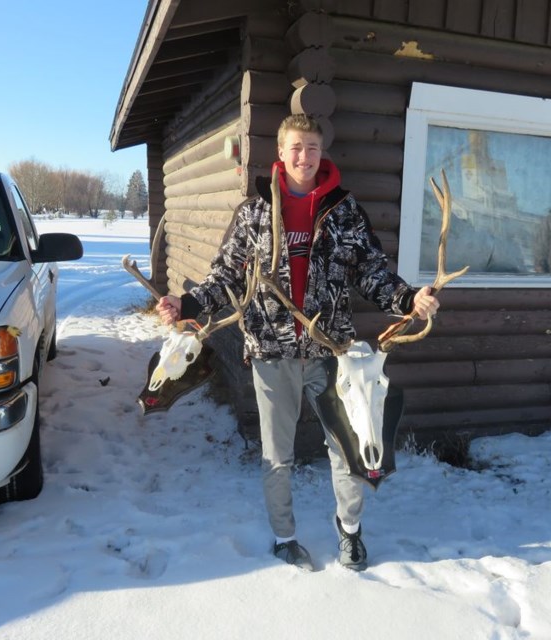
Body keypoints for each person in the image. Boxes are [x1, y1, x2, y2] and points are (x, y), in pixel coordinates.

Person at [155, 114, 440, 572]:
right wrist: (186, 305)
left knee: (348, 448)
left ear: (320, 152)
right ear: (281, 153)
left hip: (332, 354)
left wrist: (409, 298)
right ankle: (284, 536)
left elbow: (372, 274)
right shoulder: (253, 213)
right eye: (295, 147)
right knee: (277, 456)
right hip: (270, 351)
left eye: (311, 147)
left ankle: (349, 533)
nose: (303, 156)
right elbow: (224, 276)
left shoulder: (345, 210)